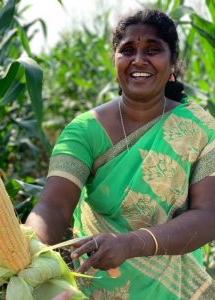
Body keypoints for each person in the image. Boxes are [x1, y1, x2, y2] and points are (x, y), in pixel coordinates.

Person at [26, 9, 215, 299]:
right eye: (127, 50)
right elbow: (53, 207)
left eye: (153, 49)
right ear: (115, 60)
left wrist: (130, 244)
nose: (139, 60)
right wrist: (28, 252)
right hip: (97, 288)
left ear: (172, 62)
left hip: (173, 289)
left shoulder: (202, 130)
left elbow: (208, 215)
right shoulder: (85, 130)